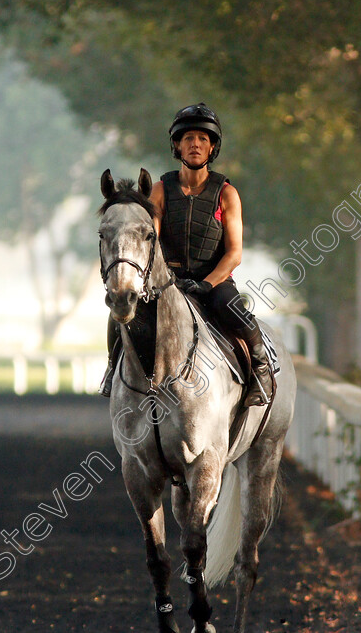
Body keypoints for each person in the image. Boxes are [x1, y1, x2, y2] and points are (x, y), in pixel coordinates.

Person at [100, 103, 273, 407]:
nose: (195, 144)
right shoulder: (160, 190)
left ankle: (261, 369)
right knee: (119, 314)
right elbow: (149, 241)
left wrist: (207, 284)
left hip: (215, 282)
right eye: (188, 138)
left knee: (235, 312)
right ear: (177, 146)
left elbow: (234, 254)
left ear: (212, 148)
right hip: (169, 281)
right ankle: (113, 368)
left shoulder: (227, 194)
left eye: (203, 139)